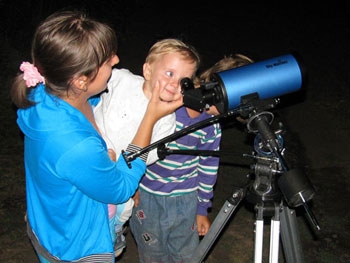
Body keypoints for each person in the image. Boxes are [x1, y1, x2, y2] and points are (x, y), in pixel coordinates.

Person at [10, 10, 182, 263]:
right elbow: (121, 188)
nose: (116, 59)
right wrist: (150, 117)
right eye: (106, 59)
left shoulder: (44, 96)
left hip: (49, 223)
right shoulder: (74, 144)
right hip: (76, 250)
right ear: (80, 81)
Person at [129, 53, 254, 263]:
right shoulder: (169, 104)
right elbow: (135, 141)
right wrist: (131, 185)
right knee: (152, 254)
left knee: (186, 256)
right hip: (148, 197)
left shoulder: (212, 125)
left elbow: (208, 168)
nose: (226, 114)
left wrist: (201, 208)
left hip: (185, 200)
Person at [93, 38, 201, 257]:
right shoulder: (122, 79)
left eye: (184, 81)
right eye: (169, 74)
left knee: (116, 214)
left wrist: (119, 162)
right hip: (92, 159)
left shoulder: (167, 122)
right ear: (148, 70)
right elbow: (92, 88)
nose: (174, 84)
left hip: (121, 177)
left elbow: (146, 157)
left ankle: (110, 236)